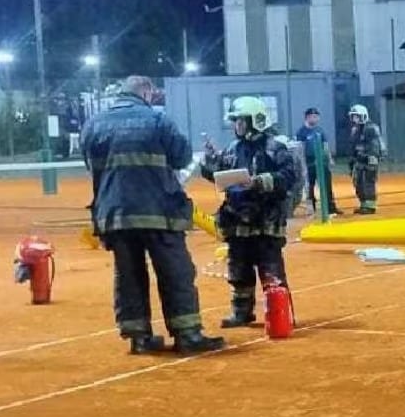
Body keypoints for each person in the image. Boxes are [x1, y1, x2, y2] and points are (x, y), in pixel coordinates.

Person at [79, 75, 225, 355]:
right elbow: (182, 157)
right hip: (159, 212)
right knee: (175, 272)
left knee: (128, 276)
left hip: (115, 214)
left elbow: (91, 166)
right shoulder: (158, 120)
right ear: (145, 93)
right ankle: (187, 334)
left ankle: (139, 338)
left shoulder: (93, 124)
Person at [200, 96, 301, 328]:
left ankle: (281, 314)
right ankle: (241, 312)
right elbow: (218, 175)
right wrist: (210, 161)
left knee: (271, 271)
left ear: (255, 121)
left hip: (266, 221)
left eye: (240, 121)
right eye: (235, 121)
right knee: (239, 270)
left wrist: (259, 182)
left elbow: (289, 177)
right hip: (237, 221)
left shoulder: (275, 148)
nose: (236, 126)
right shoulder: (232, 149)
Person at [293, 107, 341, 218]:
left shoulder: (320, 130)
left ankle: (330, 208)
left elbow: (325, 146)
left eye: (316, 117)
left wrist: (329, 158)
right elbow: (299, 149)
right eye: (312, 116)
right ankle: (311, 209)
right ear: (307, 117)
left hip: (321, 162)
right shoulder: (301, 132)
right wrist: (301, 164)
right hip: (308, 163)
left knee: (326, 186)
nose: (315, 119)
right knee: (309, 187)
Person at [348, 103, 385, 215]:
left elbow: (375, 145)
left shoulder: (371, 128)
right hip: (359, 159)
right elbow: (354, 145)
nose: (354, 119)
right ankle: (363, 204)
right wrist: (352, 159)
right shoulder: (356, 129)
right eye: (353, 116)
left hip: (369, 159)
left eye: (356, 116)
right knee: (358, 182)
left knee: (368, 182)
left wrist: (372, 157)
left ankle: (370, 206)